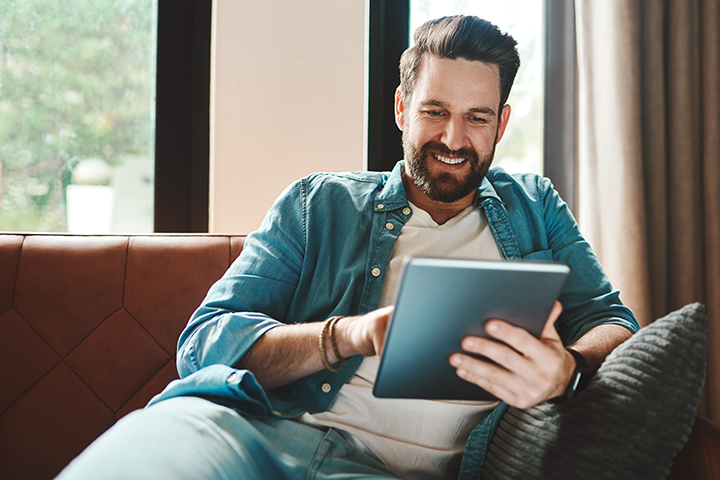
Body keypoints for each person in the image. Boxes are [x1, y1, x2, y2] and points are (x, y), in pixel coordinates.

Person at [57, 15, 639, 480]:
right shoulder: (320, 203)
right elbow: (205, 342)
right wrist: (349, 335)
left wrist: (569, 370)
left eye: (476, 118)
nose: (454, 139)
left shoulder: (534, 206)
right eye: (434, 112)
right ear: (401, 109)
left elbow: (613, 322)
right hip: (251, 436)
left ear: (502, 123)